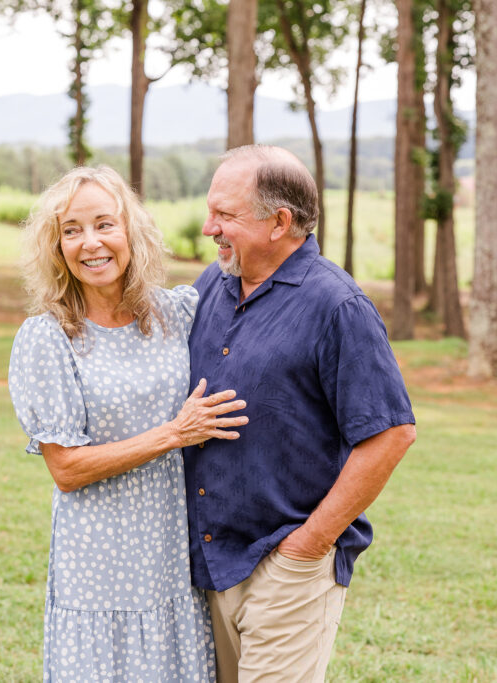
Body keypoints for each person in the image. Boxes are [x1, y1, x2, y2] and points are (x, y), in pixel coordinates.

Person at [184, 145, 417, 682]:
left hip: (287, 567)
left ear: (279, 222)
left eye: (225, 215)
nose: (208, 227)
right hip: (208, 562)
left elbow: (392, 434)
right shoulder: (211, 286)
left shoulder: (338, 306)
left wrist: (308, 546)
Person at [8, 165, 248, 682]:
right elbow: (67, 468)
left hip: (170, 558)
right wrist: (174, 434)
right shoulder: (48, 339)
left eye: (104, 224)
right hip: (98, 568)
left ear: (131, 233)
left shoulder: (175, 313)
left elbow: (249, 279)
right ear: (56, 248)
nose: (90, 243)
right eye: (71, 230)